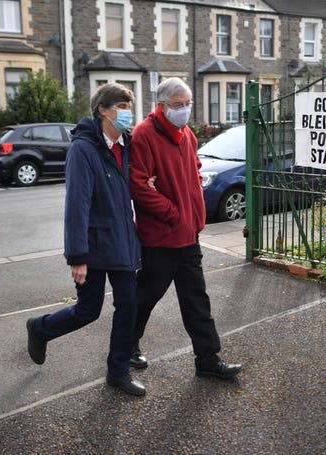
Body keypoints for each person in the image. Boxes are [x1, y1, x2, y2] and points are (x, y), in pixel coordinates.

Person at [26, 83, 145, 396]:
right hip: (92, 247)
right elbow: (76, 204)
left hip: (122, 241)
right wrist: (77, 256)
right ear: (102, 110)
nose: (127, 112)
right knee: (88, 310)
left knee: (128, 305)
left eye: (130, 105)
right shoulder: (83, 149)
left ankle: (117, 371)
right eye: (121, 106)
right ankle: (41, 328)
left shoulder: (127, 145)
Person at [129, 77, 242, 379]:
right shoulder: (144, 135)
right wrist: (174, 213)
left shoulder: (187, 134)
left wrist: (195, 214)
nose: (184, 110)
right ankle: (126, 345)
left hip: (188, 234)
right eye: (178, 105)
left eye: (188, 104)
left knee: (196, 299)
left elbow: (193, 169)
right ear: (161, 106)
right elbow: (139, 186)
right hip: (161, 238)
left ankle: (207, 360)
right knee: (147, 296)